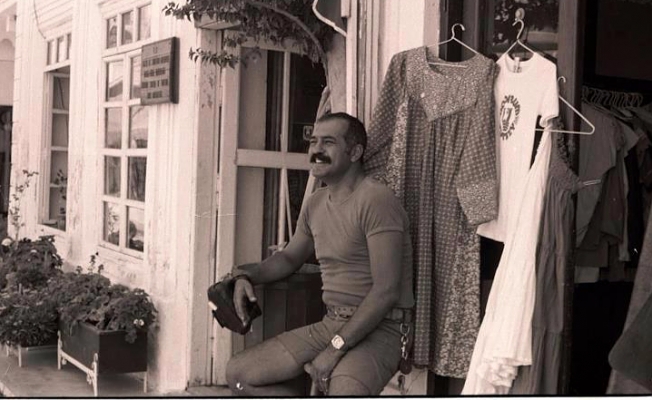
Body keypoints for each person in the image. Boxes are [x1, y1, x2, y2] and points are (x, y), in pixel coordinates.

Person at [225, 112, 415, 396]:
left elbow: (386, 291)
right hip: (333, 322)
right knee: (240, 375)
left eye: (328, 142)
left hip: (383, 328)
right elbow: (289, 258)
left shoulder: (376, 199)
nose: (316, 150)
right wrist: (244, 274)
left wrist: (334, 349)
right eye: (313, 142)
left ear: (355, 152)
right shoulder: (315, 204)